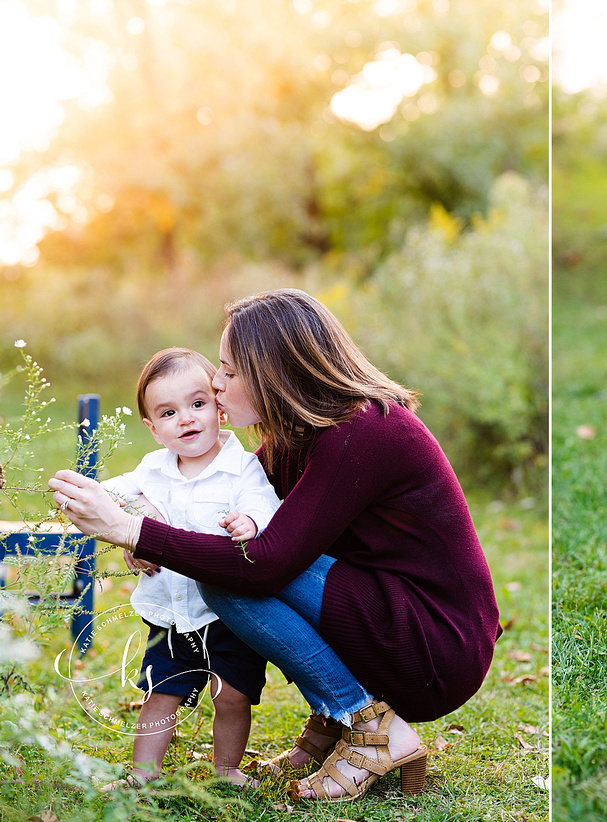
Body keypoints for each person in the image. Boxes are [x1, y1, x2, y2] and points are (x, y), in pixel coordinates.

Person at [50, 289, 501, 803]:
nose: (216, 385)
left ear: (274, 373)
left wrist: (133, 533)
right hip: (395, 616)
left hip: (435, 642)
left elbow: (261, 567)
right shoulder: (302, 437)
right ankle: (336, 721)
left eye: (229, 372)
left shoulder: (361, 432)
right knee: (227, 564)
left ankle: (372, 729)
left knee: (229, 581)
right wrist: (143, 512)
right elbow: (212, 512)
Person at [102, 347, 281, 788]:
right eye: (168, 412)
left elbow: (266, 507)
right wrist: (136, 517)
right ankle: (142, 777)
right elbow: (109, 493)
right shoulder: (152, 470)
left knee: (233, 697)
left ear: (219, 407)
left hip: (228, 616)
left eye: (197, 404)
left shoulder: (242, 468)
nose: (186, 419)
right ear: (152, 428)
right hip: (170, 614)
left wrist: (250, 521)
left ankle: (227, 771)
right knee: (160, 695)